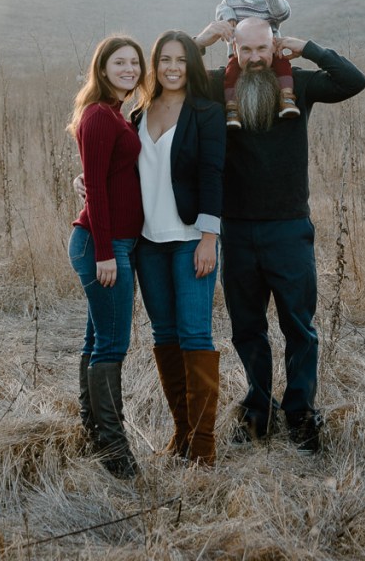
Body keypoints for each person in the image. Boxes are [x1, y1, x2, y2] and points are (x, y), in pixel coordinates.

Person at [193, 16, 365, 452]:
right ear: (234, 50)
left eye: (262, 49)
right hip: (237, 229)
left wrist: (308, 47)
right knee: (247, 328)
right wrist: (202, 39)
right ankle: (258, 412)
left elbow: (353, 81)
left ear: (274, 48)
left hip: (289, 228)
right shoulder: (216, 86)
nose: (254, 58)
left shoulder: (299, 85)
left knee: (299, 327)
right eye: (245, 50)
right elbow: (167, 77)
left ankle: (301, 414)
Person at [131, 30, 225, 466]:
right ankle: (182, 434)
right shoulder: (139, 113)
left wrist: (209, 238)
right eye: (165, 59)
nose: (172, 68)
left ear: (192, 65)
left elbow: (213, 174)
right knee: (165, 336)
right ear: (155, 65)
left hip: (190, 241)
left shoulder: (206, 112)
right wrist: (83, 180)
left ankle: (203, 449)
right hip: (148, 244)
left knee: (195, 335)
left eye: (181, 60)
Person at [66, 35, 146, 479]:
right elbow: (94, 187)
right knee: (112, 344)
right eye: (120, 62)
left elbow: (102, 175)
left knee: (97, 340)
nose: (129, 69)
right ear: (102, 68)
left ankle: (93, 431)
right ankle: (116, 452)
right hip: (103, 244)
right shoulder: (99, 115)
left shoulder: (117, 113)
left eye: (134, 62)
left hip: (116, 243)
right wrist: (104, 253)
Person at [215, 0, 300, 128]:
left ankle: (286, 98)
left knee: (283, 65)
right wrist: (229, 17)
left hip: (271, 48)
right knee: (231, 74)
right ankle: (232, 108)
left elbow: (283, 14)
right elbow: (222, 10)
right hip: (240, 52)